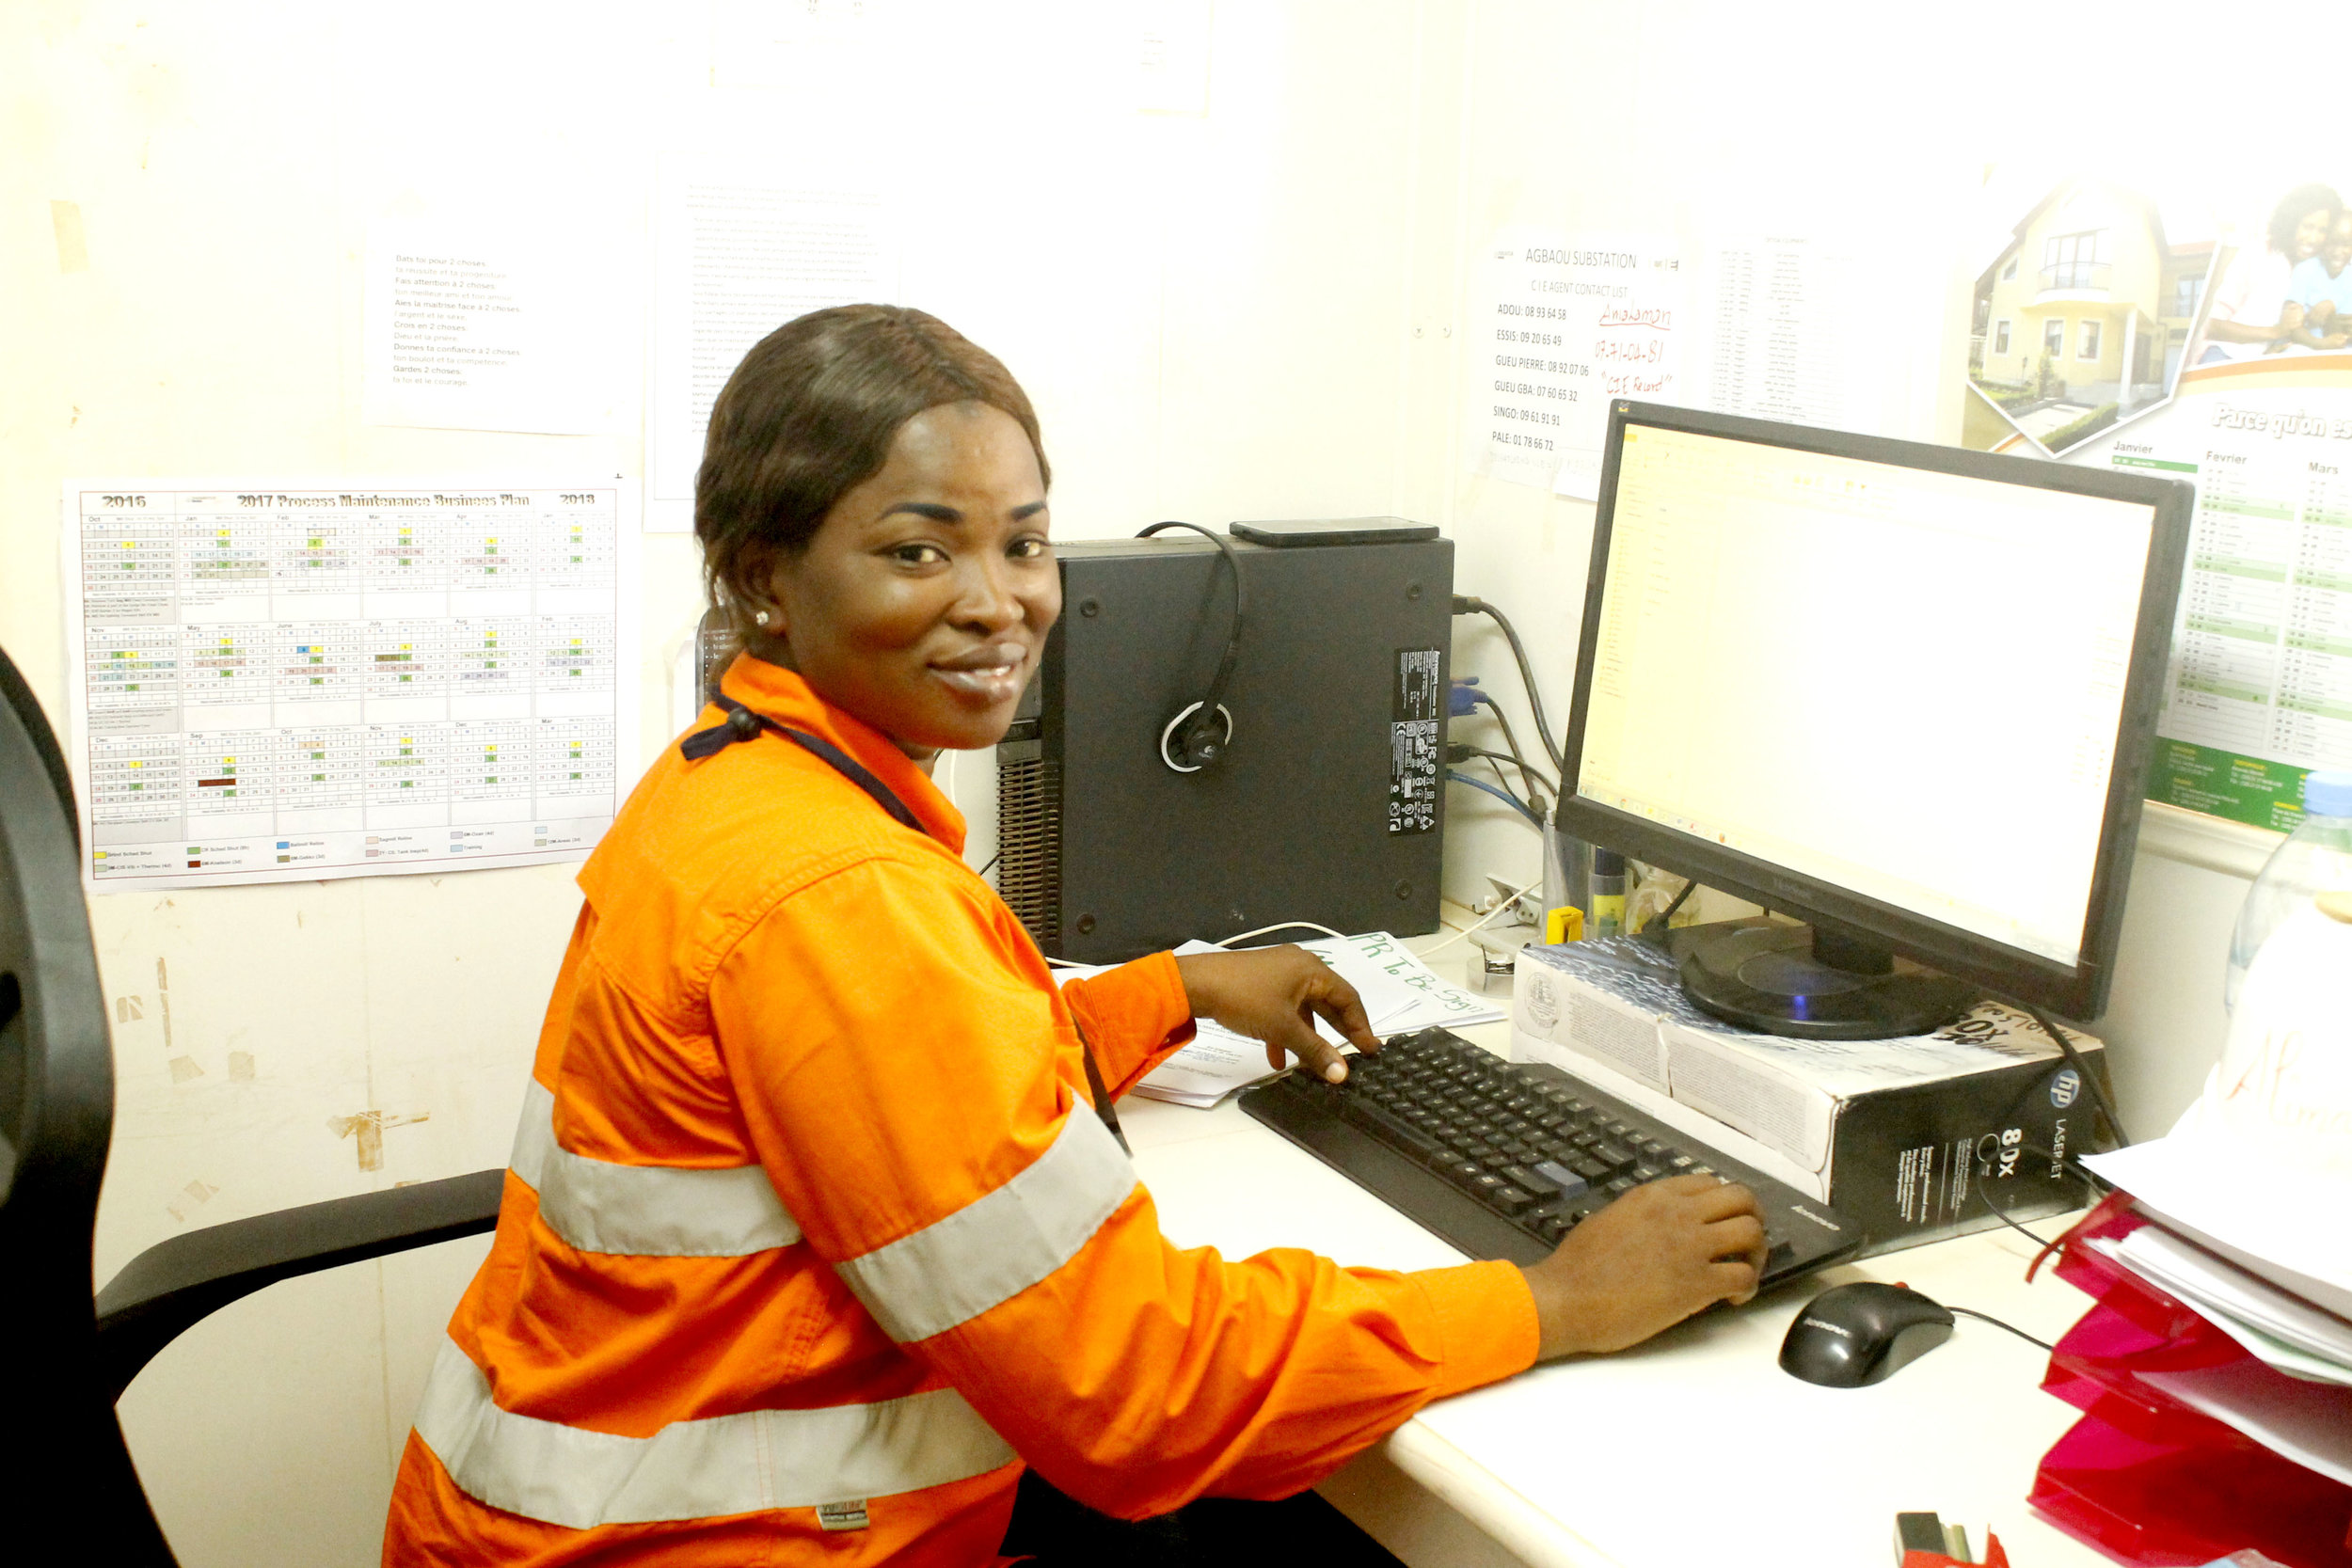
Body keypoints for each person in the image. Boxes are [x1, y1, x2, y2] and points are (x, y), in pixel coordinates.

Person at [380, 304, 1768, 1566]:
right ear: (765, 576)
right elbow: (1135, 1391)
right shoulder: (835, 892)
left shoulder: (738, 775)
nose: (1002, 600)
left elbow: (896, 1093)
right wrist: (1551, 1296)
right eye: (919, 547)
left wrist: (1169, 991)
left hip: (576, 1505)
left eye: (1024, 541)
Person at [2196, 182, 2340, 362]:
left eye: (2322, 230)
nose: (2313, 239)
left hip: (2273, 366)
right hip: (2226, 356)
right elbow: (2211, 325)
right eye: (2307, 227)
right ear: (2291, 223)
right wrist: (2275, 332)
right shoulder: (2257, 253)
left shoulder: (2323, 271)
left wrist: (2329, 306)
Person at [2284, 209, 2352, 350]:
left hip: (2339, 348)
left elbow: (2342, 330)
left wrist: (2332, 307)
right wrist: (2319, 344)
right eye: (2332, 243)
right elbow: (2291, 327)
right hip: (2307, 346)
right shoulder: (2305, 270)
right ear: (2324, 241)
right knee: (2296, 350)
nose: (2337, 252)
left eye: (2346, 244)